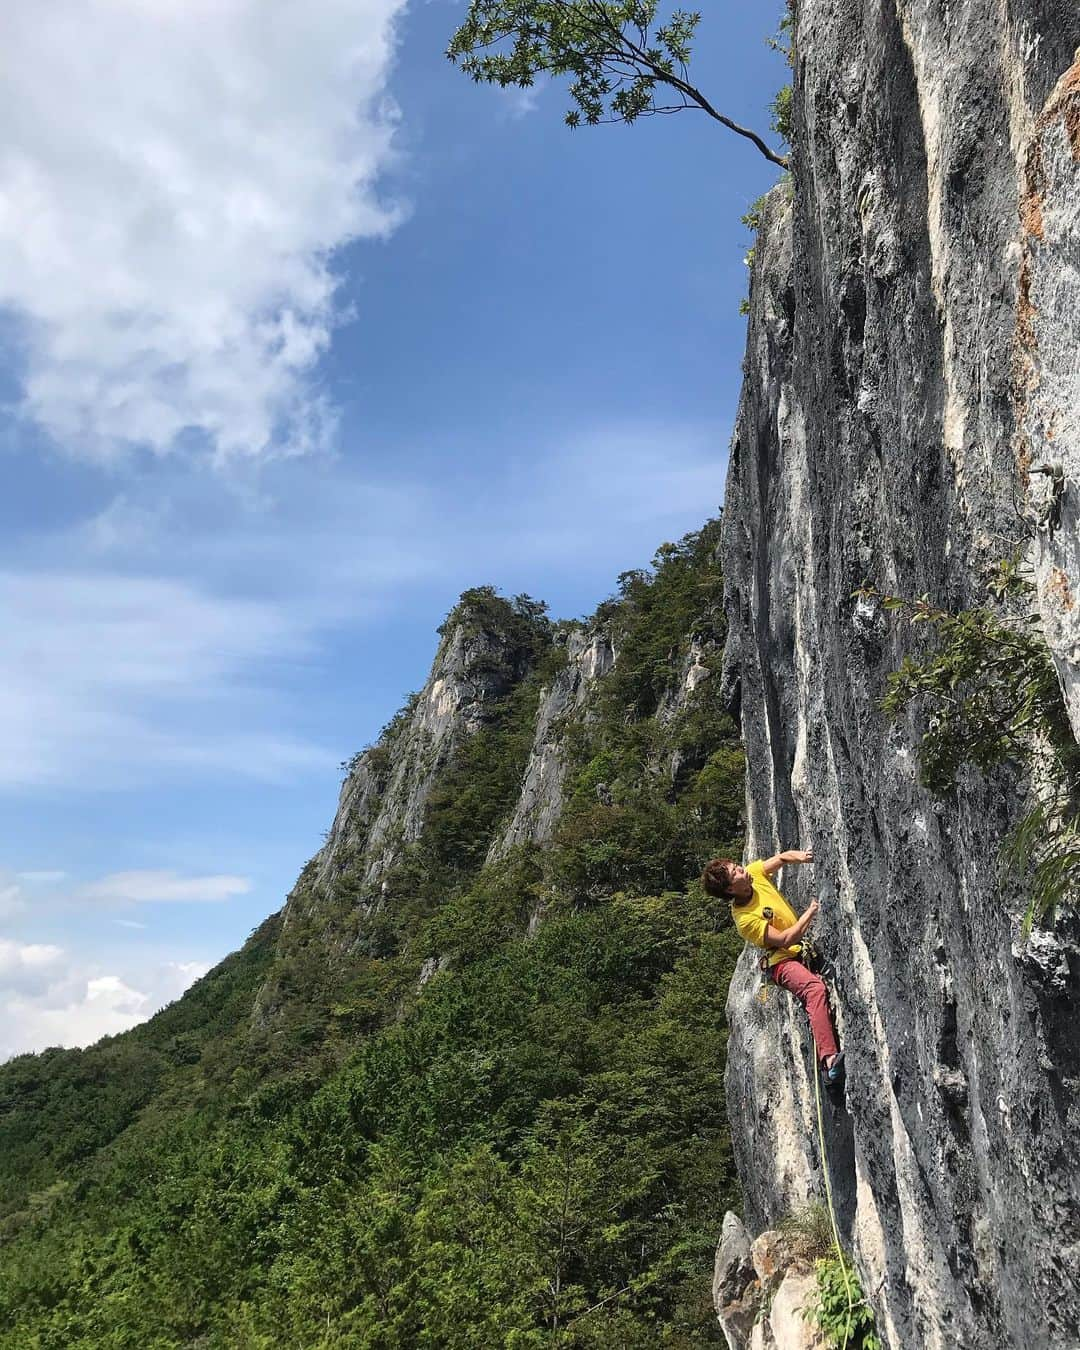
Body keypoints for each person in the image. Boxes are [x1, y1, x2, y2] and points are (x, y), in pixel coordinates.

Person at [701, 847, 844, 1085]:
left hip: (797, 951)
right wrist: (810, 912)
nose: (741, 868)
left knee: (815, 991)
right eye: (734, 870)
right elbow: (787, 939)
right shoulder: (745, 920)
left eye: (736, 864)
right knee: (814, 989)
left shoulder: (753, 874)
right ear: (729, 888)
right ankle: (830, 1062)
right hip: (781, 961)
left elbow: (780, 858)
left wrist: (803, 856)